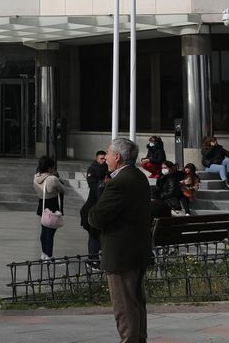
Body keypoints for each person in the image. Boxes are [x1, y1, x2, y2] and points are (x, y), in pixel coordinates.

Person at [88, 137, 152, 343]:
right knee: (136, 303)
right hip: (137, 250)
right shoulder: (138, 177)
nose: (105, 158)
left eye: (107, 153)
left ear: (117, 156)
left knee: (124, 306)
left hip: (121, 254)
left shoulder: (120, 182)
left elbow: (96, 217)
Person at [80, 150, 109, 267]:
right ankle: (93, 259)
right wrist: (103, 183)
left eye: (104, 159)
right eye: (101, 158)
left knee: (97, 236)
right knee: (94, 235)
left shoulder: (107, 168)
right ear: (97, 158)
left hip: (99, 208)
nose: (103, 161)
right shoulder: (92, 169)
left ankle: (95, 258)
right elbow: (93, 187)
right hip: (92, 209)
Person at [33, 156, 64, 260]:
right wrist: (58, 180)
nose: (54, 169)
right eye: (53, 168)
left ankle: (44, 253)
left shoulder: (36, 177)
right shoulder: (52, 179)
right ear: (49, 168)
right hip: (52, 206)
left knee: (44, 230)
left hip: (42, 204)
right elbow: (62, 190)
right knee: (50, 232)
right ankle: (49, 256)